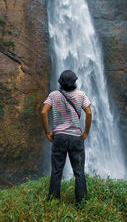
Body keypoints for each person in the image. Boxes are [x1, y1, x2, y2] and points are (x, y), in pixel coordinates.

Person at [41, 70, 92, 204]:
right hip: (76, 137)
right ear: (75, 81)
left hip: (59, 137)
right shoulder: (81, 95)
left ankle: (54, 201)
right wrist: (86, 132)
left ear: (60, 82)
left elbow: (44, 111)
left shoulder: (53, 95)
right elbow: (89, 113)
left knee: (57, 170)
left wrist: (48, 132)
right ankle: (81, 203)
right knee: (79, 171)